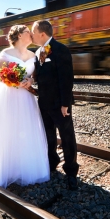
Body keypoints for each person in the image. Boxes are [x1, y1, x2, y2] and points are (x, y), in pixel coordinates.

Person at [0, 25, 50, 188]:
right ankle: (5, 169)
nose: (31, 34)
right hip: (8, 96)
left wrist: (30, 81)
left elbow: (33, 76)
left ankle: (23, 168)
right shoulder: (4, 54)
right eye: (28, 32)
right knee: (7, 129)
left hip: (26, 97)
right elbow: (0, 77)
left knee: (26, 130)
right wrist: (14, 81)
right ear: (20, 35)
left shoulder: (34, 55)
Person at [31, 20, 79, 190]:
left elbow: (66, 79)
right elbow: (40, 76)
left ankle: (71, 171)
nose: (31, 35)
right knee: (48, 136)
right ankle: (52, 164)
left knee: (67, 137)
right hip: (44, 103)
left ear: (42, 34)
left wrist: (65, 103)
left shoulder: (61, 50)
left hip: (60, 105)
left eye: (33, 32)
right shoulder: (38, 52)